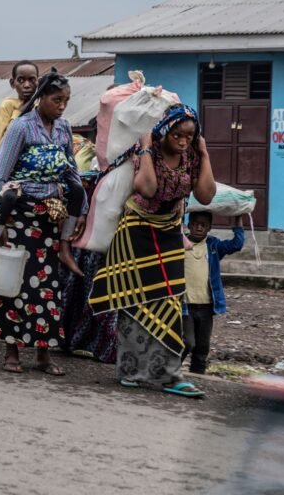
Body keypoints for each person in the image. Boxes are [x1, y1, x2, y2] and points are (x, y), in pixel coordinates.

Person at [89, 104, 216, 398]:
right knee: (134, 303)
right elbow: (147, 188)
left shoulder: (193, 156)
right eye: (177, 135)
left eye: (190, 136)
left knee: (170, 302)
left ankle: (169, 375)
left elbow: (206, 195)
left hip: (169, 232)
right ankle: (131, 371)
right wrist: (146, 148)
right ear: (164, 130)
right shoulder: (145, 151)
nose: (183, 142)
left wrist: (205, 153)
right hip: (136, 231)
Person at [0, 69, 88, 375]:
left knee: (47, 286)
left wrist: (79, 205)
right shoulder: (20, 127)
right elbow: (0, 174)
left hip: (50, 219)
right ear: (41, 98)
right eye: (57, 99)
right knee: (13, 282)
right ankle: (12, 351)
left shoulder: (63, 128)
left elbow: (70, 170)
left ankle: (44, 354)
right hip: (20, 216)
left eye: (66, 101)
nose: (62, 106)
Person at [183, 212, 244, 374]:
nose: (199, 227)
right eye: (195, 223)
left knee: (202, 347)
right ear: (188, 225)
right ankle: (171, 370)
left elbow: (236, 244)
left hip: (206, 307)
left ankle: (197, 376)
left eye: (203, 225)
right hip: (184, 306)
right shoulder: (180, 243)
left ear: (209, 227)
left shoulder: (213, 246)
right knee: (187, 342)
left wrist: (238, 217)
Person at [0, 60, 38, 149]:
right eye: (21, 80)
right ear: (12, 83)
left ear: (37, 82)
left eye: (32, 80)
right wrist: (19, 112)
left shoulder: (40, 108)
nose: (27, 85)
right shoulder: (7, 106)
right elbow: (0, 144)